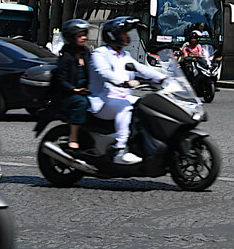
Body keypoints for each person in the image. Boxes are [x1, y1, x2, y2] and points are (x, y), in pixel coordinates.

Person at [87, 16, 166, 165]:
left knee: (147, 107)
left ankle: (142, 146)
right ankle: (120, 150)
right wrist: (123, 81)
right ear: (113, 35)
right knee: (124, 106)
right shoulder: (100, 54)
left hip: (122, 96)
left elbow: (141, 69)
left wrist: (162, 78)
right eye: (124, 34)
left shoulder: (125, 55)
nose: (127, 37)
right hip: (103, 100)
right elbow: (103, 72)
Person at [52, 19, 91, 151]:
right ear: (72, 38)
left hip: (85, 90)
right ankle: (73, 137)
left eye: (84, 35)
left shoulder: (86, 53)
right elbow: (60, 79)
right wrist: (74, 89)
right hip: (67, 94)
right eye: (80, 36)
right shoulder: (66, 57)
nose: (84, 38)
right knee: (81, 102)